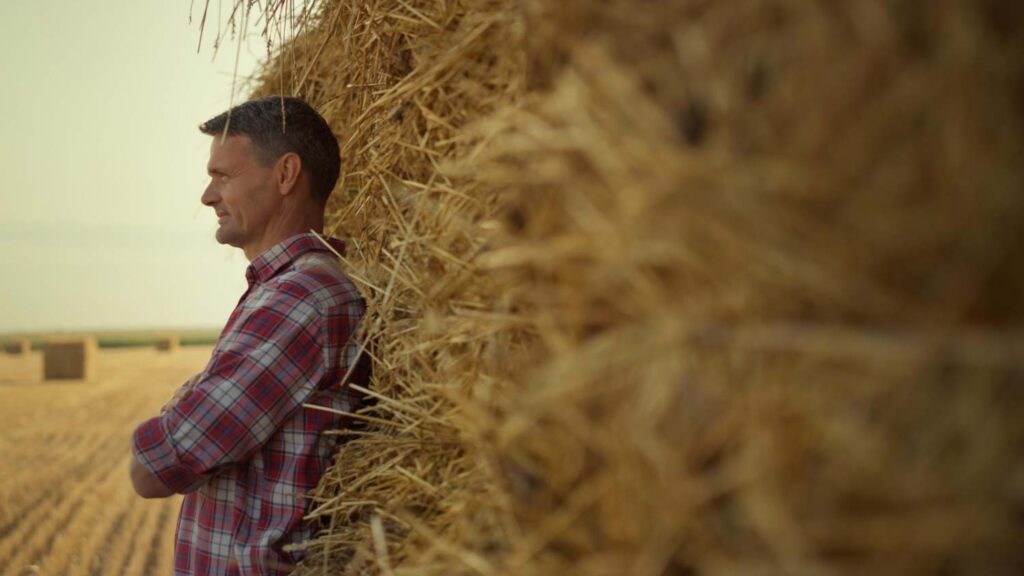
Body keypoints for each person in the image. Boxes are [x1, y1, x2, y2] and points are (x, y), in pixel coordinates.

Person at [129, 96, 369, 575]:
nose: (207, 196)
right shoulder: (282, 292)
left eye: (223, 176)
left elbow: (155, 466)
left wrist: (184, 399)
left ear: (285, 175)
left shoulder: (303, 300)